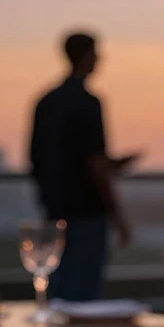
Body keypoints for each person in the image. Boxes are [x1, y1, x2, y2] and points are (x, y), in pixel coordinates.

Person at [29, 31, 138, 301]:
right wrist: (118, 217)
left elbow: (37, 158)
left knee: (57, 288)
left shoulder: (46, 102)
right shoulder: (88, 103)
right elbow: (95, 164)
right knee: (83, 296)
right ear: (88, 56)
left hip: (55, 209)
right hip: (86, 212)